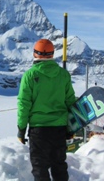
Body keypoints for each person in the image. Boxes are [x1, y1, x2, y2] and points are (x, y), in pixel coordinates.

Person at [17, 38, 76, 181]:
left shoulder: (30, 75)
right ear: (52, 54)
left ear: (35, 54)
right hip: (59, 128)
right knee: (59, 166)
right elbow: (70, 102)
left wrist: (21, 129)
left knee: (40, 168)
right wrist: (71, 128)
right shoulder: (63, 74)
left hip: (39, 131)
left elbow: (24, 104)